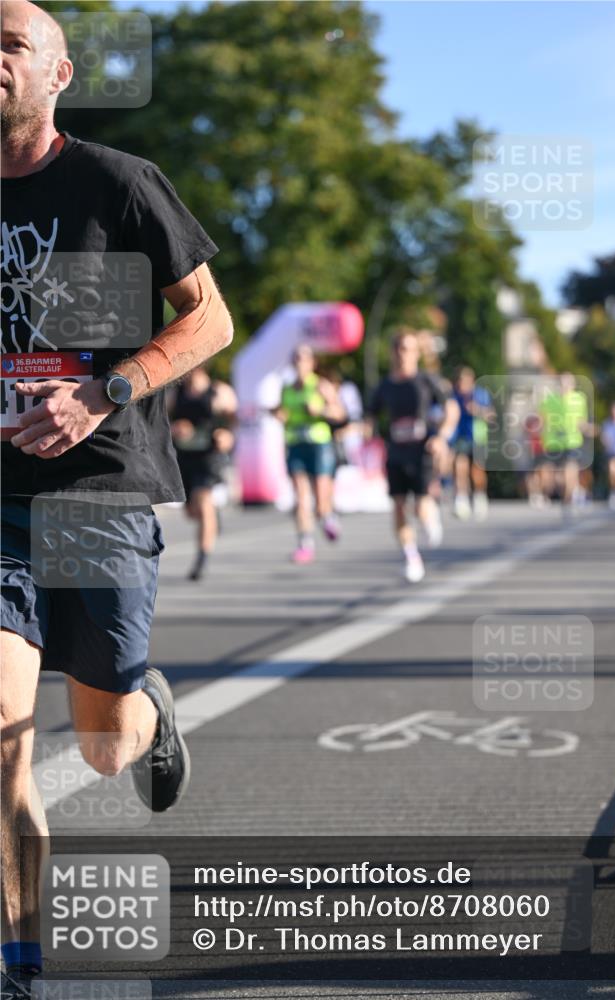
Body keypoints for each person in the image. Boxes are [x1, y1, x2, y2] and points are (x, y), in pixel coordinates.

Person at [0, 4, 233, 996]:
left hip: (98, 490)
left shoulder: (118, 184)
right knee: (2, 735)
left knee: (102, 749)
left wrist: (105, 390)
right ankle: (18, 962)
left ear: (57, 74)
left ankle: (146, 706)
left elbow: (211, 318)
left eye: (8, 45)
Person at [367, 330, 459, 583]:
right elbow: (370, 416)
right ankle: (411, 556)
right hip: (396, 451)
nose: (401, 354)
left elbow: (451, 409)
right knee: (397, 505)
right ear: (391, 352)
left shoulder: (428, 381)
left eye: (407, 348)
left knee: (419, 506)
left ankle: (430, 519)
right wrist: (365, 435)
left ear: (416, 353)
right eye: (397, 348)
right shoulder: (385, 386)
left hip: (422, 451)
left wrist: (441, 436)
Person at [274, 345, 344, 564]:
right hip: (296, 445)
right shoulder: (286, 388)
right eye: (295, 358)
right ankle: (305, 544)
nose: (299, 362)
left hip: (319, 445)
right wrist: (278, 414)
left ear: (312, 363)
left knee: (321, 501)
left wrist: (320, 411)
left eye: (303, 358)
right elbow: (282, 411)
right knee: (300, 498)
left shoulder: (321, 386)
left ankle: (328, 517)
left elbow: (340, 414)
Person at [170, 367, 237, 580]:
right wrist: (175, 428)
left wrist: (226, 435)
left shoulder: (218, 391)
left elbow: (234, 419)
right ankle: (212, 514)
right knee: (191, 512)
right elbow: (158, 422)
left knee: (203, 498)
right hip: (185, 456)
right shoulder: (174, 393)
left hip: (210, 456)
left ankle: (202, 558)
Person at [539, 373, 591, 510]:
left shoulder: (579, 399)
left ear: (573, 385)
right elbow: (541, 420)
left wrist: (586, 428)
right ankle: (569, 493)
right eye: (562, 384)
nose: (565, 387)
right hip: (553, 442)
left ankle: (569, 499)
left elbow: (582, 420)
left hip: (572, 441)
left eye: (568, 384)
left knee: (570, 471)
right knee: (556, 477)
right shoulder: (549, 400)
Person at [449, 366, 494, 520]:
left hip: (478, 436)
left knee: (477, 471)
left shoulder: (480, 394)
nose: (462, 385)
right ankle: (461, 500)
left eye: (465, 381)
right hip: (460, 437)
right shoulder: (453, 396)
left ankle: (479, 497)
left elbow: (491, 416)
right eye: (460, 382)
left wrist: (478, 411)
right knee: (459, 467)